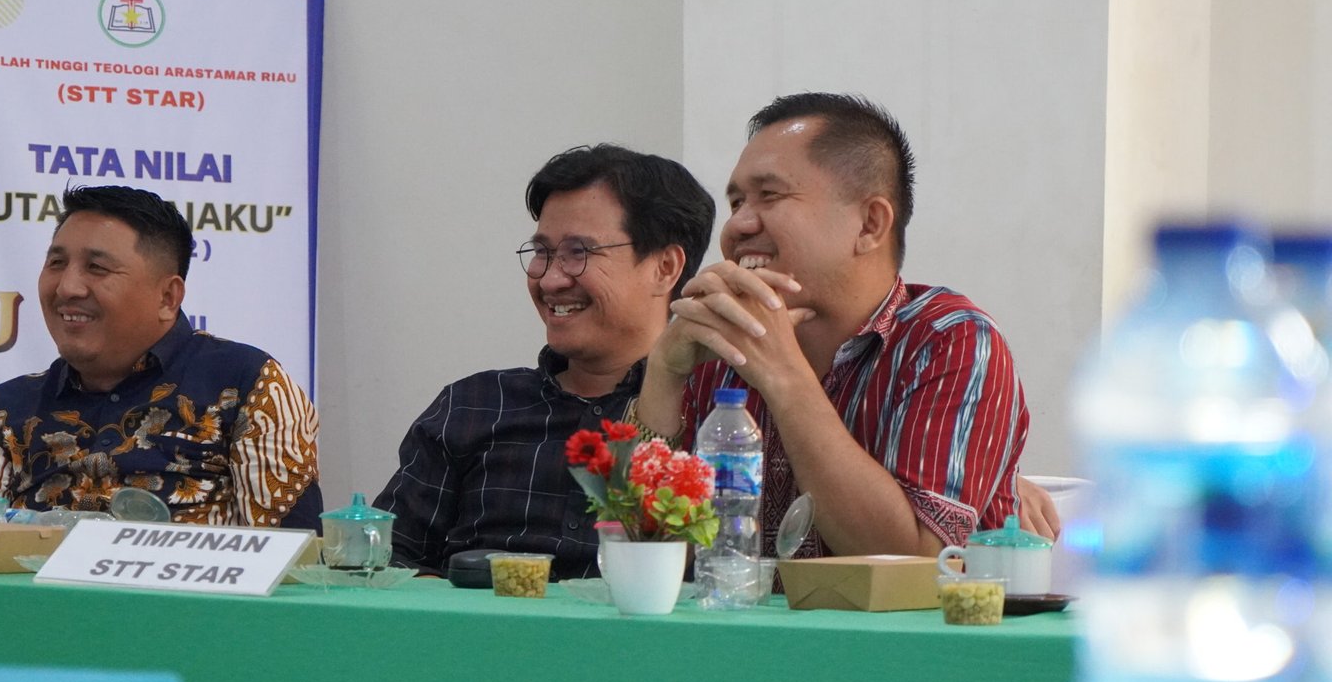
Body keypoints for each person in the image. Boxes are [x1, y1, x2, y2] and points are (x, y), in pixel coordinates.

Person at [635, 93, 1031, 558]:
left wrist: (784, 375)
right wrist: (663, 373)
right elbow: (643, 552)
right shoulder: (722, 345)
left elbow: (913, 563)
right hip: (737, 610)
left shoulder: (950, 340)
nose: (737, 225)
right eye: (737, 201)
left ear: (869, 224)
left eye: (770, 195)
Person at [377, 145, 716, 579]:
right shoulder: (473, 405)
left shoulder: (717, 416)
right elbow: (382, 560)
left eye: (579, 252)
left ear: (665, 268)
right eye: (542, 252)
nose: (551, 280)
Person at [0, 185, 322, 528]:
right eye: (56, 263)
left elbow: (291, 564)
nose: (67, 287)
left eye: (97, 268)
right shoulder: (3, 411)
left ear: (167, 297)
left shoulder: (247, 386)